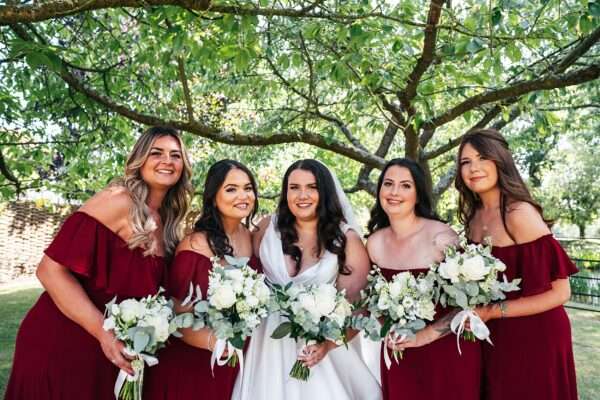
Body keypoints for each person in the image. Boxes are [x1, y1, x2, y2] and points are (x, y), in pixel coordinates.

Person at [5, 126, 193, 399]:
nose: (167, 161)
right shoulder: (117, 200)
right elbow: (49, 271)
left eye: (176, 155)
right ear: (139, 160)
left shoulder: (168, 224)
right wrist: (102, 333)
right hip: (64, 340)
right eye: (157, 153)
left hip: (111, 353)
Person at [233, 159, 381, 400]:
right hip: (267, 347)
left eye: (312, 187)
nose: (303, 195)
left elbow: (359, 310)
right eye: (294, 187)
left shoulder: (346, 240)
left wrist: (327, 345)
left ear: (325, 192)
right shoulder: (266, 228)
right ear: (285, 191)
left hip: (320, 353)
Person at [455, 128, 577, 400]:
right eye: (466, 162)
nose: (474, 168)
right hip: (494, 332)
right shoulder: (474, 217)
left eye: (482, 157)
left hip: (536, 335)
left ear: (500, 160)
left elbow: (561, 292)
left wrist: (493, 312)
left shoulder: (518, 212)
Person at [143, 159, 261, 400]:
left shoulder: (252, 238)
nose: (243, 195)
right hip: (191, 362)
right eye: (231, 189)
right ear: (213, 196)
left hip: (231, 363)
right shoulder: (195, 244)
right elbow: (172, 309)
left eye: (248, 188)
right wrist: (214, 342)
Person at [366, 158, 481, 400]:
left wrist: (423, 336)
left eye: (405, 185)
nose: (395, 192)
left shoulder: (441, 237)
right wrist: (389, 329)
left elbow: (469, 306)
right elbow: (374, 299)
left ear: (418, 194)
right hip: (400, 354)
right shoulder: (375, 243)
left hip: (446, 353)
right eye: (388, 184)